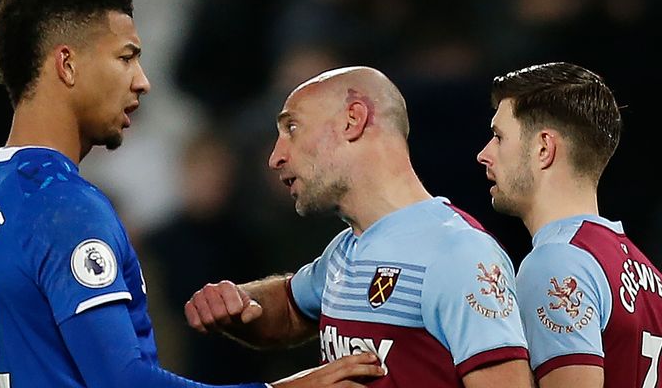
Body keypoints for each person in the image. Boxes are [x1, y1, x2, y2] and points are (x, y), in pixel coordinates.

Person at [0, 0, 384, 387]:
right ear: (67, 65)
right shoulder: (65, 206)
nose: (142, 81)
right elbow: (125, 383)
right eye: (125, 58)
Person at [185, 66, 535, 387]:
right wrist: (236, 302)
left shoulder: (458, 253)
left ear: (353, 119)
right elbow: (291, 309)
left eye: (292, 128)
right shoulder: (345, 250)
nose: (275, 156)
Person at [476, 61, 662, 388]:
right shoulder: (649, 274)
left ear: (544, 148)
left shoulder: (557, 264)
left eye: (498, 136)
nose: (484, 154)